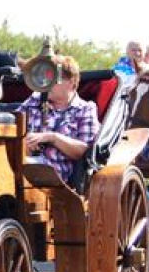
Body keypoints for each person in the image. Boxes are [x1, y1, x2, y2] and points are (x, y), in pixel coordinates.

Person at [20, 55, 100, 185]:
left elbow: (85, 151)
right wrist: (25, 143)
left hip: (56, 178)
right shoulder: (33, 101)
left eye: (53, 78)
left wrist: (52, 137)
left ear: (72, 82)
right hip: (23, 165)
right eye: (45, 77)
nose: (46, 82)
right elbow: (12, 130)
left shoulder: (85, 109)